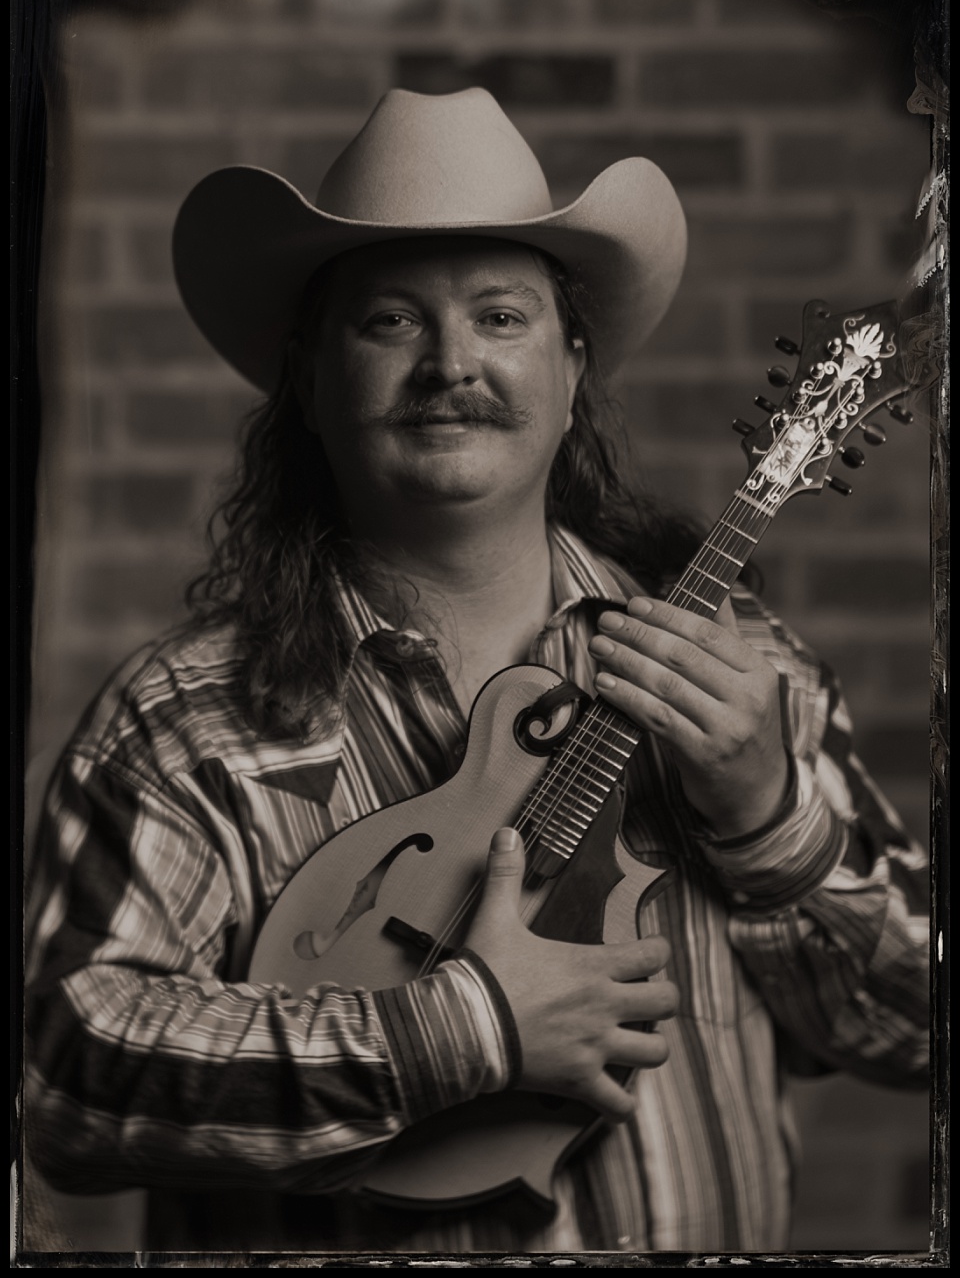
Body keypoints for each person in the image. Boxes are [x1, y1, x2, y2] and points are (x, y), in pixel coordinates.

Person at [25, 87, 929, 1255]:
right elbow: (66, 1086)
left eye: (502, 317)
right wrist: (460, 1029)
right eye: (391, 321)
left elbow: (915, 1035)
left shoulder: (741, 678)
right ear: (306, 377)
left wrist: (772, 822)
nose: (453, 363)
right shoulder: (183, 726)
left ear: (571, 367)